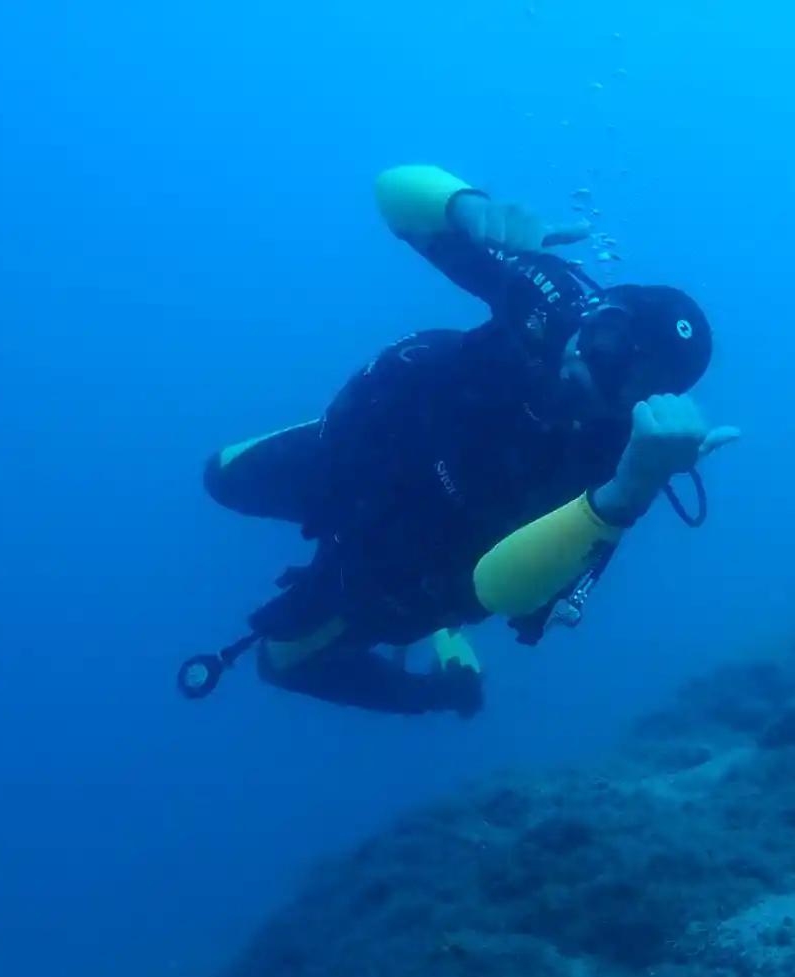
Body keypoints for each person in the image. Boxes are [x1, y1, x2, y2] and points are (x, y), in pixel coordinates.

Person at [191, 164, 739, 716]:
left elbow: (502, 592)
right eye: (606, 340)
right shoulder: (547, 302)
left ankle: (447, 687)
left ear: (648, 404)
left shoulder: (624, 459)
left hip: (426, 554)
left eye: (631, 380)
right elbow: (394, 193)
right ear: (596, 311)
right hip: (372, 450)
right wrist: (468, 208)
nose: (590, 369)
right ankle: (332, 434)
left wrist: (633, 488)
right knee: (219, 477)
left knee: (279, 660)